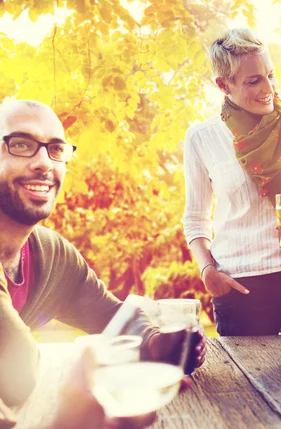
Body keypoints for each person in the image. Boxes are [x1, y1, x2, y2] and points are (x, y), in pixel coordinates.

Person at [0, 99, 207, 408]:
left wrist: (156, 342)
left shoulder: (50, 254)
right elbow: (18, 374)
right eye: (20, 144)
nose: (44, 163)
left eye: (56, 150)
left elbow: (109, 315)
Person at [182, 28, 281, 336]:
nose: (268, 87)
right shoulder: (202, 138)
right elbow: (195, 219)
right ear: (223, 85)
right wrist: (208, 271)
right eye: (253, 80)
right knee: (248, 383)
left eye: (270, 75)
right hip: (241, 288)